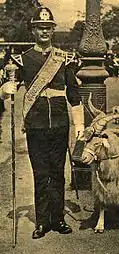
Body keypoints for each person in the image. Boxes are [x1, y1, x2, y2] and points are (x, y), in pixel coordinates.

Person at [0, 6, 84, 239]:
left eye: (48, 28)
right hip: (36, 124)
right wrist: (6, 90)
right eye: (40, 28)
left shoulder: (64, 58)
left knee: (58, 171)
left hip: (59, 123)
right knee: (40, 172)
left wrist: (79, 126)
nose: (44, 32)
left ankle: (58, 219)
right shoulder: (22, 59)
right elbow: (8, 85)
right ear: (33, 31)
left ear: (53, 30)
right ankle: (42, 221)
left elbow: (73, 94)